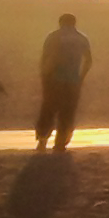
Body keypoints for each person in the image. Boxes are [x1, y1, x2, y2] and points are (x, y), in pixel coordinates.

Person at [33, 13, 92, 151]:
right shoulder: (82, 38)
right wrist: (81, 77)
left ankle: (42, 140)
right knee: (68, 112)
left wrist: (44, 75)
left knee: (48, 110)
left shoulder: (54, 36)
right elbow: (88, 61)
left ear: (60, 23)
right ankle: (60, 143)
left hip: (54, 79)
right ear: (74, 23)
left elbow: (47, 57)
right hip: (73, 80)